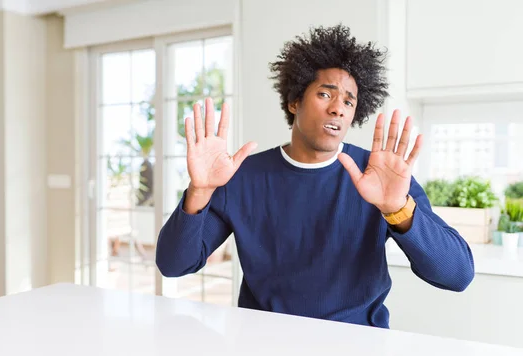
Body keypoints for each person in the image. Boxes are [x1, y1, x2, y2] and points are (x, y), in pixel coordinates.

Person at [155, 24, 474, 328]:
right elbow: (173, 265)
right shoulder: (242, 177)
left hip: (357, 341)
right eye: (326, 94)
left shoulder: (381, 178)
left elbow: (457, 274)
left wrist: (397, 209)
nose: (339, 108)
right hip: (264, 341)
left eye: (349, 101)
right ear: (294, 101)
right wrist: (199, 190)